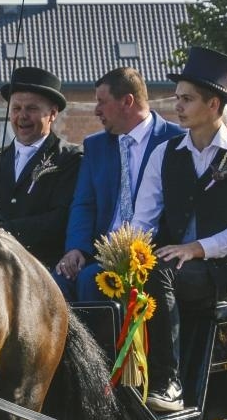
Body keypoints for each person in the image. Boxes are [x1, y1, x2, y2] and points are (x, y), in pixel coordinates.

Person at [134, 46, 227, 413]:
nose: (177, 106)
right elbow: (142, 220)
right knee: (118, 275)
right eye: (177, 98)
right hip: (168, 263)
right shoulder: (165, 154)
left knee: (158, 273)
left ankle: (169, 382)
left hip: (218, 269)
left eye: (187, 99)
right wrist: (128, 255)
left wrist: (196, 248)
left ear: (214, 104)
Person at [56, 67, 184, 300]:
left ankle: (102, 339)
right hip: (101, 252)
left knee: (90, 281)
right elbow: (84, 204)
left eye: (102, 102)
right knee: (56, 282)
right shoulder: (95, 146)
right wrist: (76, 248)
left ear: (127, 101)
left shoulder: (176, 141)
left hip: (151, 256)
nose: (96, 111)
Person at [0, 66, 82, 274]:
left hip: (44, 269)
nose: (22, 116)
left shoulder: (70, 158)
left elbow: (61, 218)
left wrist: (5, 231)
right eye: (16, 109)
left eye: (32, 109)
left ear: (52, 114)